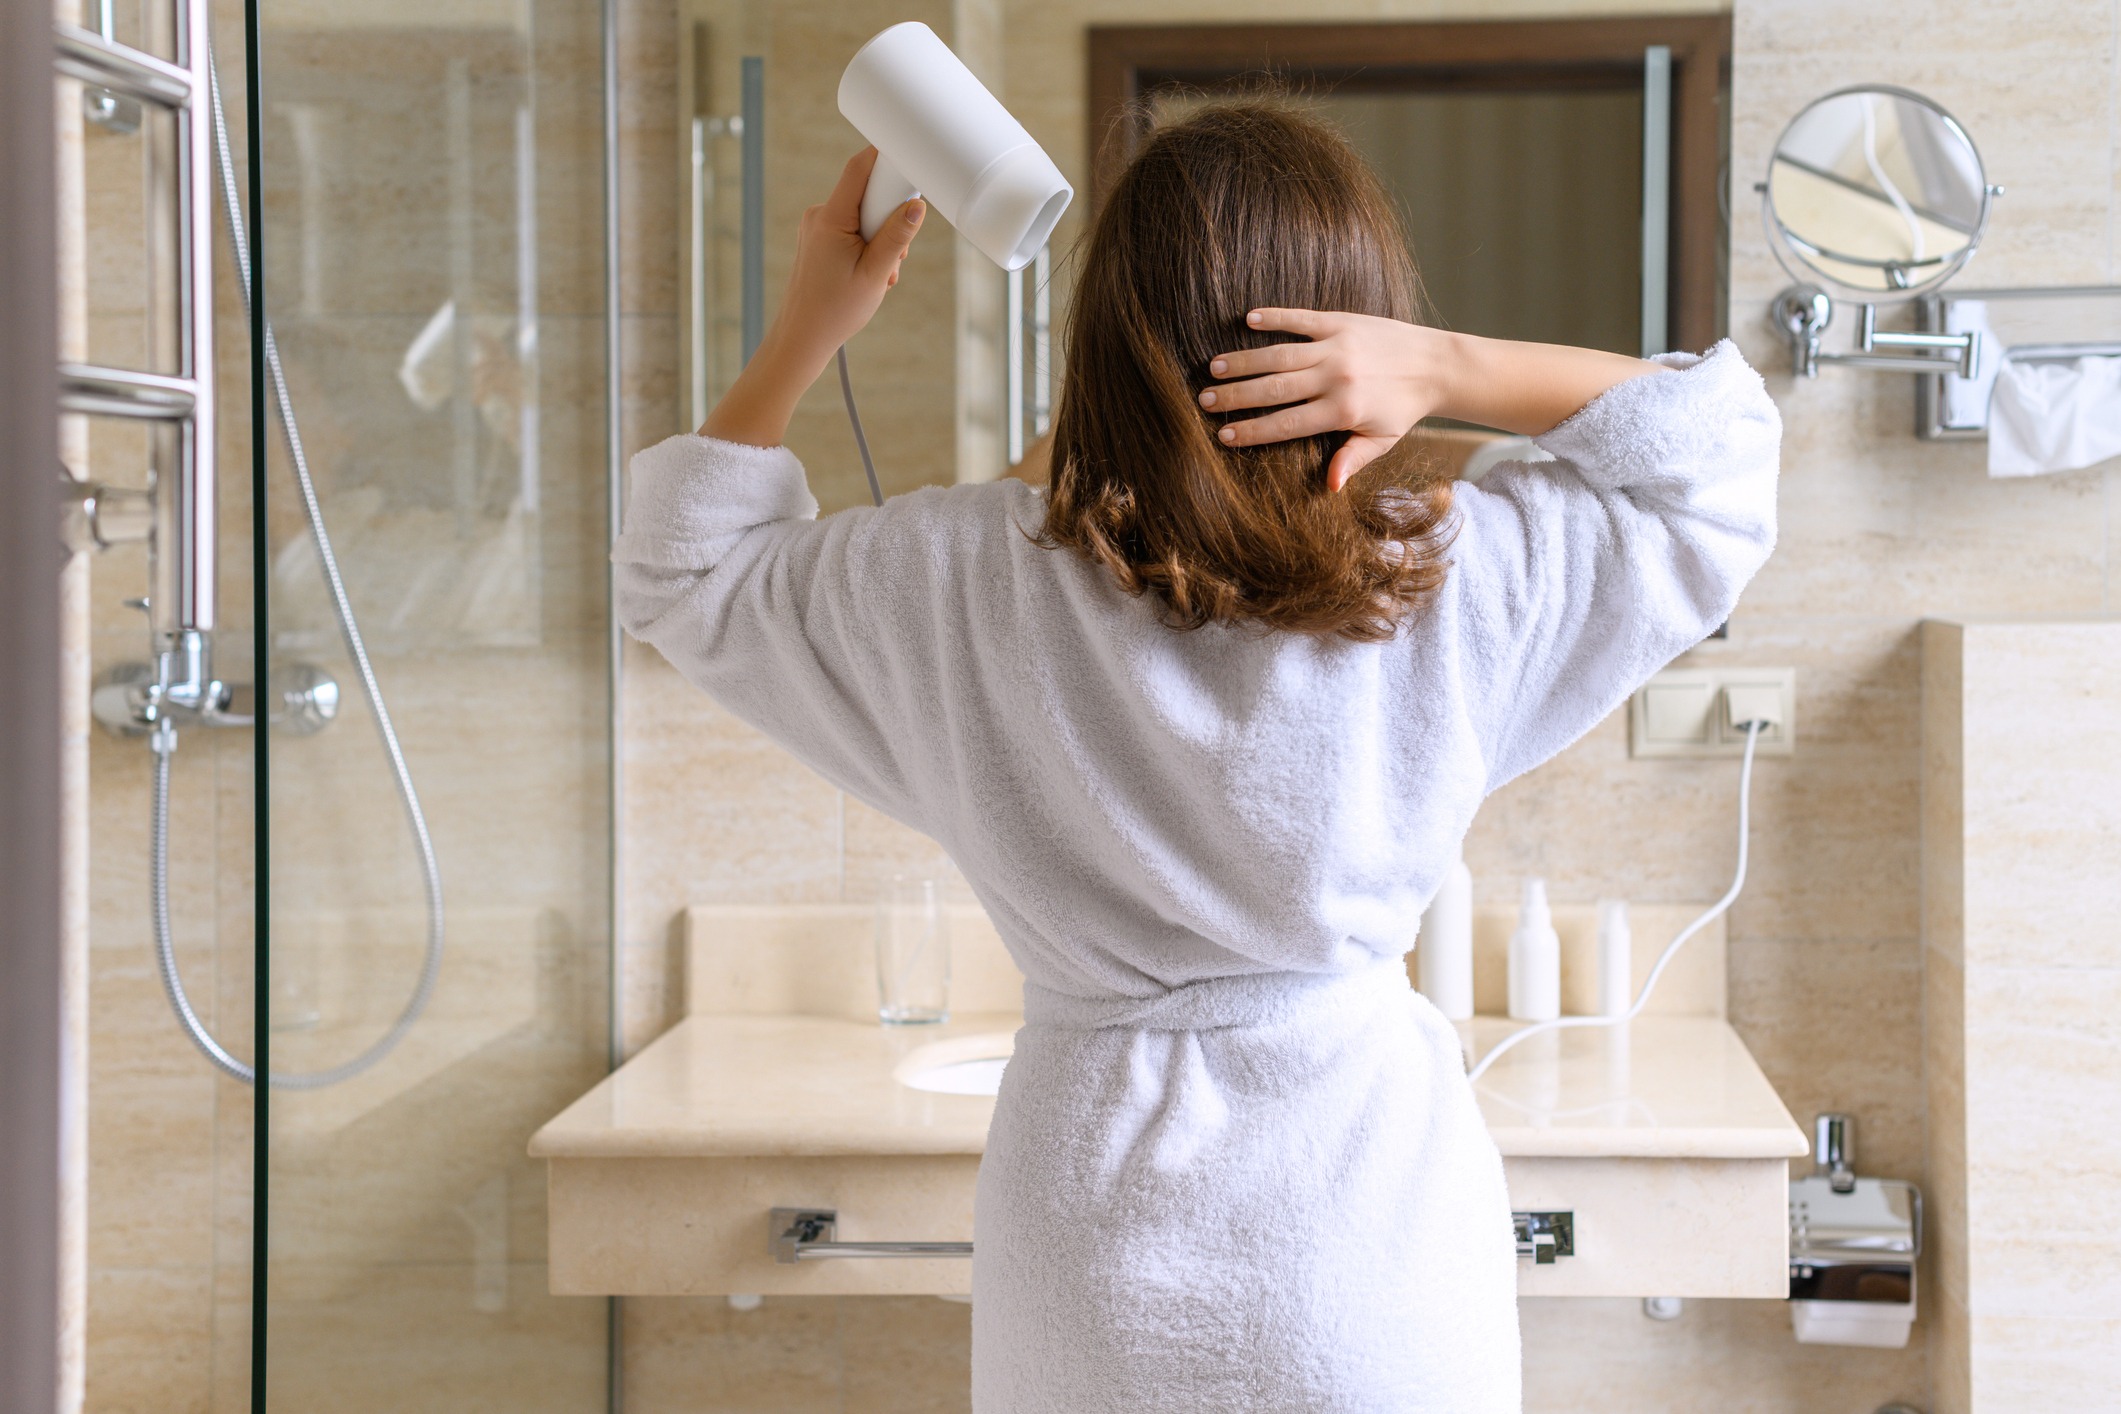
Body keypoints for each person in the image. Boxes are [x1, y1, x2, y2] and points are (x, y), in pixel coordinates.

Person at [613, 102, 1779, 1413]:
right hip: (1369, 1264)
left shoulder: (961, 581)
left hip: (1096, 1268)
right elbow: (1721, 459)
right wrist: (1446, 366)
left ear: (1101, 340)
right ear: (1368, 331)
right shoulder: (1449, 576)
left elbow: (679, 566)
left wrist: (808, 328)